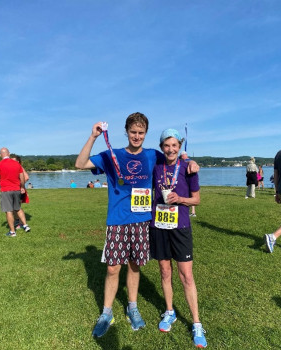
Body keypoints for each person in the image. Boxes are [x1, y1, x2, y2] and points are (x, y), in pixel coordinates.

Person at [75, 112, 199, 338]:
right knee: (113, 268)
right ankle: (106, 312)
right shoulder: (112, 155)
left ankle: (132, 307)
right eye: (133, 132)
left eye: (141, 133)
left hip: (142, 221)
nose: (137, 136)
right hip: (117, 220)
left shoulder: (153, 156)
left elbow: (174, 160)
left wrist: (191, 162)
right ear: (126, 132)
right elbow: (80, 163)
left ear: (145, 134)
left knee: (134, 266)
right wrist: (93, 136)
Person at [149, 129, 207, 348]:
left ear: (180, 146)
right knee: (165, 272)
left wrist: (180, 199)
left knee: (186, 276)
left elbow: (197, 200)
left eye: (174, 145)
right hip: (159, 225)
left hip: (180, 226)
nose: (171, 149)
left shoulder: (188, 168)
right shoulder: (156, 166)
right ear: (162, 146)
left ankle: (196, 322)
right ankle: (170, 311)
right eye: (166, 145)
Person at [0, 148, 31, 236]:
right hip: (16, 189)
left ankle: (12, 232)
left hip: (6, 190)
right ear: (9, 154)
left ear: (0, 155)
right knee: (18, 208)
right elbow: (22, 177)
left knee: (9, 211)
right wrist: (22, 187)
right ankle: (25, 225)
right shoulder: (16, 164)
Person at [180, 151, 196, 217]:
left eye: (182, 156)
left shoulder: (187, 161)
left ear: (183, 155)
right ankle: (192, 211)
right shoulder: (188, 161)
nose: (181, 157)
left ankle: (191, 212)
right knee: (191, 196)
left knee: (189, 196)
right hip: (189, 181)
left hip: (187, 181)